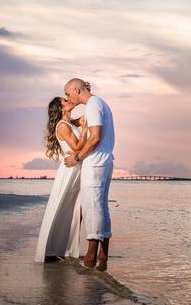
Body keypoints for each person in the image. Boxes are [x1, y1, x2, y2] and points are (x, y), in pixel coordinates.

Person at [63, 77, 115, 271]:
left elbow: (95, 137)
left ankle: (91, 257)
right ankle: (103, 254)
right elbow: (88, 131)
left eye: (68, 93)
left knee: (91, 207)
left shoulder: (92, 105)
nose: (68, 98)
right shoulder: (99, 103)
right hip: (105, 161)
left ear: (77, 89)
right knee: (101, 206)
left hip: (95, 163)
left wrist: (77, 158)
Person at [34, 96, 88, 262]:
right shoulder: (63, 126)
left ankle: (66, 249)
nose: (68, 100)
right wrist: (85, 131)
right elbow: (78, 147)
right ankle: (58, 249)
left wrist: (86, 92)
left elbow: (85, 111)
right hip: (70, 169)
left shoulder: (70, 122)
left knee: (75, 208)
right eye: (65, 100)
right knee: (65, 207)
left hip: (77, 167)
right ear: (60, 108)